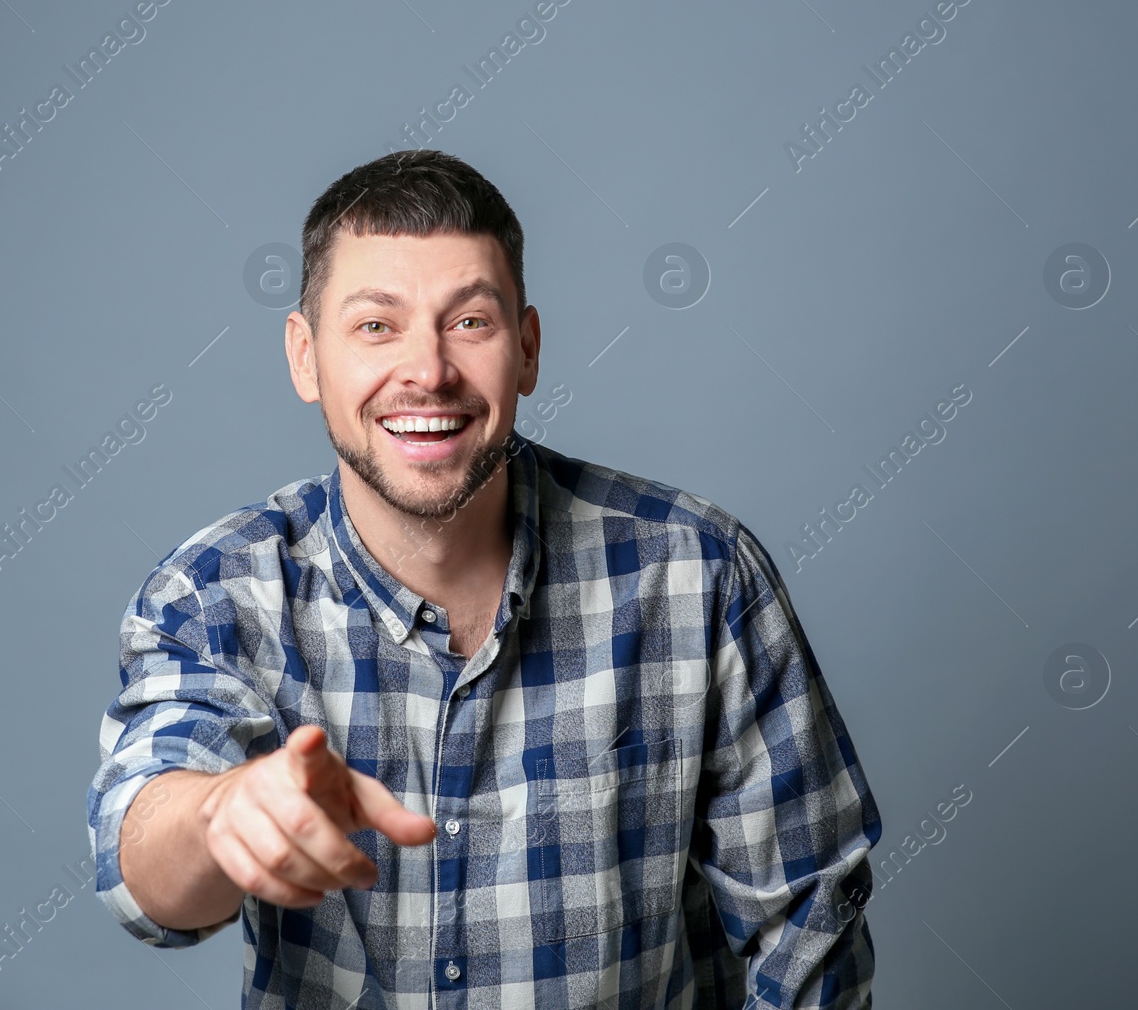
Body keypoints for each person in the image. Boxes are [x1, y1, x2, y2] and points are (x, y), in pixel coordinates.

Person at [87, 148, 882, 1008]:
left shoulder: (701, 577)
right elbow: (144, 881)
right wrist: (221, 815)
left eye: (469, 322)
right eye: (376, 325)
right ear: (306, 357)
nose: (427, 370)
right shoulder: (218, 593)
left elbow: (808, 940)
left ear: (528, 350)